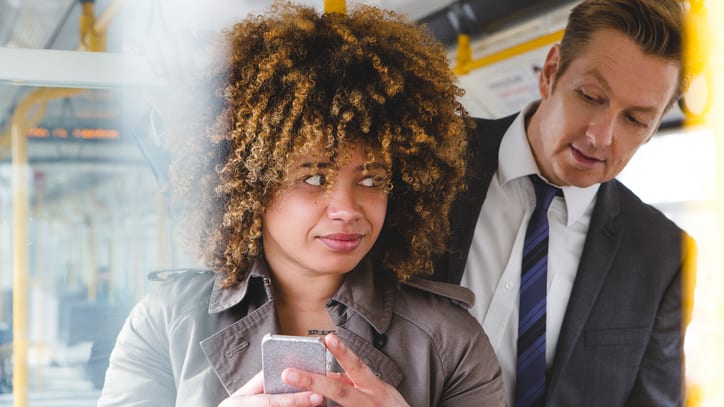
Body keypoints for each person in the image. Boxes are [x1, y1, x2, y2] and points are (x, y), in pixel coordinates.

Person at [98, 2, 505, 406]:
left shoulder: (452, 340)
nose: (346, 208)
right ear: (248, 182)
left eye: (371, 179)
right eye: (312, 178)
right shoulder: (168, 324)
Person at [432, 0, 696, 406]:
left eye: (635, 120)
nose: (601, 136)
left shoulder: (662, 257)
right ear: (552, 71)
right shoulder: (431, 156)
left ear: (654, 127)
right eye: (591, 96)